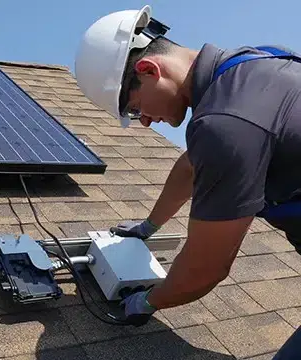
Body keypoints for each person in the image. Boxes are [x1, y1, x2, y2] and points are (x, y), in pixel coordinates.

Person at [74, 5, 301, 359]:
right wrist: (149, 225)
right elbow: (190, 167)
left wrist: (147, 300)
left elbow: (205, 269)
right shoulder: (254, 63)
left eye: (135, 109)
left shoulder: (226, 124)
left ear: (148, 70)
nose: (145, 121)